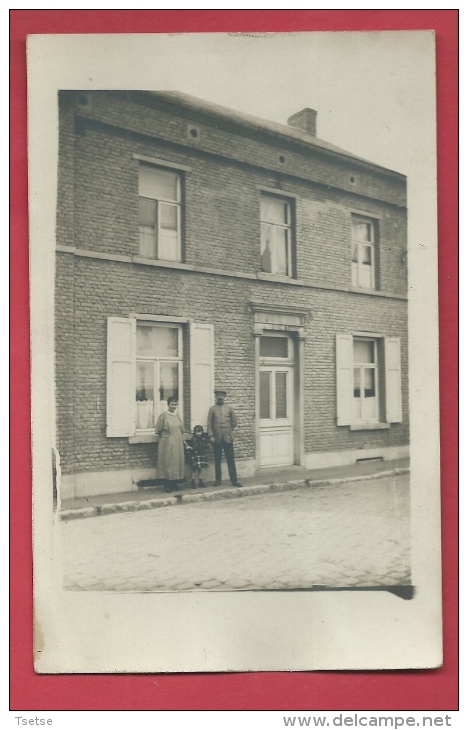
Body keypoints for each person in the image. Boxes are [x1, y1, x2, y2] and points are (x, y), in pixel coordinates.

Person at [207, 389, 242, 487]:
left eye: (222, 395)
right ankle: (218, 480)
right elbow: (209, 424)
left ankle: (234, 480)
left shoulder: (229, 408)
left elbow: (234, 421)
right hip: (217, 438)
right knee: (217, 460)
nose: (220, 397)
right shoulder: (212, 409)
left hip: (227, 437)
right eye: (218, 395)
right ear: (215, 397)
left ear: (224, 397)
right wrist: (211, 436)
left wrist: (229, 430)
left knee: (230, 459)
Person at [155, 396, 187, 493]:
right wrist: (166, 437)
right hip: (167, 442)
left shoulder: (177, 415)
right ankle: (167, 484)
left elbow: (182, 429)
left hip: (178, 442)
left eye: (175, 404)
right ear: (168, 405)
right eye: (172, 404)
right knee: (168, 463)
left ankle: (175, 483)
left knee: (176, 462)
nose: (174, 406)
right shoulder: (163, 415)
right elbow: (158, 429)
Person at [186, 424, 210, 489]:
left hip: (201, 455)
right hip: (195, 455)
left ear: (202, 432)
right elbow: (191, 447)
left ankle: (200, 481)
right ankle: (193, 482)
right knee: (194, 469)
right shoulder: (193, 439)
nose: (198, 433)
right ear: (194, 432)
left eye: (200, 432)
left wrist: (207, 447)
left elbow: (206, 446)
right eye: (197, 432)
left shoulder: (203, 439)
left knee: (200, 469)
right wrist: (189, 448)